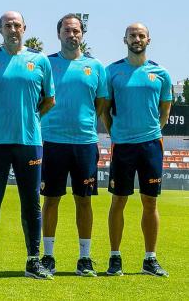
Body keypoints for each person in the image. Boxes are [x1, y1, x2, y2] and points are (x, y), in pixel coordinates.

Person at [0, 11, 55, 280]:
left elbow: (48, 100)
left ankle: (33, 260)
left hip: (29, 143)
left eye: (17, 25)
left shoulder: (40, 60)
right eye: (7, 25)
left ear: (25, 28)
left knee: (31, 202)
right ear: (0, 29)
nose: (12, 29)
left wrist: (30, 118)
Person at [102, 23, 172, 277]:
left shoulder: (161, 73)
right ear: (125, 39)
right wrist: (116, 133)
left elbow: (165, 110)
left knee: (150, 201)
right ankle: (115, 257)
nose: (137, 39)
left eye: (141, 35)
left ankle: (150, 259)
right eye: (133, 35)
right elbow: (105, 108)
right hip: (123, 145)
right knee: (118, 200)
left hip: (151, 144)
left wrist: (152, 131)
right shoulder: (112, 72)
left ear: (148, 39)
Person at [40, 14, 107, 277]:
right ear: (59, 34)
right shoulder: (47, 63)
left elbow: (101, 104)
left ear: (82, 34)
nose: (72, 35)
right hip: (53, 142)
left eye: (76, 30)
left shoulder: (96, 67)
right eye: (67, 30)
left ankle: (85, 258)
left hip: (84, 143)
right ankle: (48, 257)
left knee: (84, 201)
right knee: (51, 200)